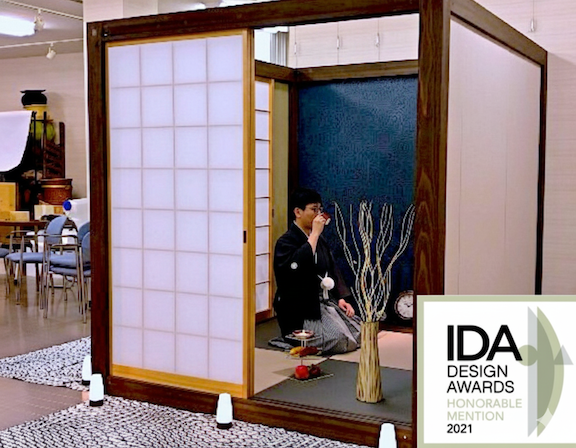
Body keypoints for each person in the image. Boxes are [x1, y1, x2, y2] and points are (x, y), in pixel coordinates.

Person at [272, 188, 361, 355]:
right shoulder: (286, 242)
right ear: (298, 212)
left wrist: (340, 298)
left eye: (320, 209)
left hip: (324, 301)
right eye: (314, 209)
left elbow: (332, 269)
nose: (318, 214)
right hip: (301, 308)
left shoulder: (320, 240)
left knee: (360, 333)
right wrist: (314, 234)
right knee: (340, 341)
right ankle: (293, 339)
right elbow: (296, 269)